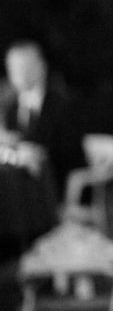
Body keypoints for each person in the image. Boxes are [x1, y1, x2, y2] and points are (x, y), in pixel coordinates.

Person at [1, 39, 83, 199]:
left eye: (25, 67)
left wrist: (35, 154)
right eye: (14, 68)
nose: (19, 74)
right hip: (19, 188)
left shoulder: (63, 106)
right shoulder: (11, 109)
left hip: (54, 188)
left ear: (41, 67)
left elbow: (71, 155)